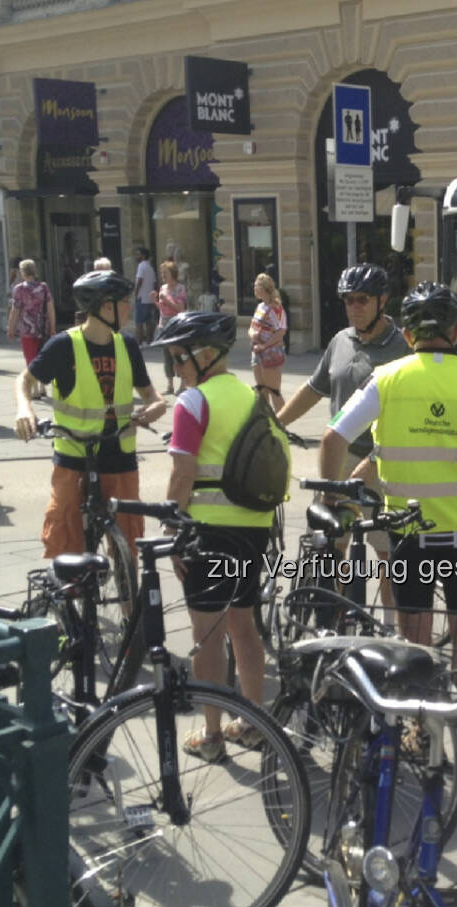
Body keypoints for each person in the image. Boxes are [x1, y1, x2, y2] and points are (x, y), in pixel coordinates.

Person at [321, 283, 457, 776]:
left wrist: (333, 499)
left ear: (408, 333)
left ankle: (415, 730)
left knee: (413, 638)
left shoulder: (387, 378)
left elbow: (333, 436)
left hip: (407, 534)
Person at [150, 311, 285, 759]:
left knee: (206, 634)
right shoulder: (253, 398)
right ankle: (250, 722)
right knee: (244, 625)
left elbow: (182, 475)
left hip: (207, 533)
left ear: (204, 354)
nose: (175, 368)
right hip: (254, 530)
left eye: (178, 358)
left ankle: (210, 736)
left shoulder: (193, 402)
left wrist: (172, 529)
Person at [278, 263, 409, 607]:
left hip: (382, 459)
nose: (354, 307)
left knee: (385, 553)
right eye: (348, 300)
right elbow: (313, 389)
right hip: (338, 454)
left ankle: (390, 627)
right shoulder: (340, 340)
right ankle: (335, 617)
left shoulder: (403, 347)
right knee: (333, 544)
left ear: (383, 300)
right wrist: (276, 422)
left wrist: (377, 458)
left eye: (362, 299)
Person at [12, 270, 167, 558]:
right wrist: (24, 408)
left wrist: (158, 404)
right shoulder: (63, 345)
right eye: (124, 302)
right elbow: (25, 380)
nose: (129, 308)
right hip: (74, 451)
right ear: (106, 306)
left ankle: (130, 600)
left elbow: (149, 393)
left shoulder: (127, 344)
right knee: (65, 529)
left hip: (117, 451)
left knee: (129, 535)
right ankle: (70, 592)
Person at [7, 259, 56, 399]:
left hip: (27, 330)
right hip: (43, 328)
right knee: (43, 357)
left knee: (30, 359)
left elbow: (15, 311)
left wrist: (11, 328)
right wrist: (52, 326)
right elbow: (51, 308)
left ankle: (34, 389)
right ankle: (42, 387)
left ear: (22, 272)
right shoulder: (44, 287)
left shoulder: (19, 289)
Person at [249, 272, 287, 411]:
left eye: (256, 286)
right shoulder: (260, 307)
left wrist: (264, 345)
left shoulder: (275, 308)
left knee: (274, 391)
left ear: (264, 288)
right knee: (262, 390)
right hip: (257, 352)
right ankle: (267, 424)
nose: (254, 289)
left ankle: (283, 423)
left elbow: (281, 331)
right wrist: (252, 334)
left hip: (271, 352)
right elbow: (252, 327)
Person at [154, 260, 188, 395]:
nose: (162, 275)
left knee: (177, 355)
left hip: (175, 325)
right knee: (166, 356)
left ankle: (183, 384)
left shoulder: (180, 288)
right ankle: (170, 385)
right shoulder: (163, 288)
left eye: (165, 272)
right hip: (164, 325)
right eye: (162, 272)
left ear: (173, 273)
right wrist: (155, 301)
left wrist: (166, 299)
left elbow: (180, 308)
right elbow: (163, 308)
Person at [133, 247, 156, 344]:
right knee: (149, 321)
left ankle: (139, 342)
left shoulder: (141, 266)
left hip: (141, 298)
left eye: (138, 254)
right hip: (150, 299)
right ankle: (150, 341)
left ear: (143, 256)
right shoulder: (150, 268)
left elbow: (140, 281)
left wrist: (135, 293)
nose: (136, 256)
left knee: (139, 322)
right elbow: (154, 283)